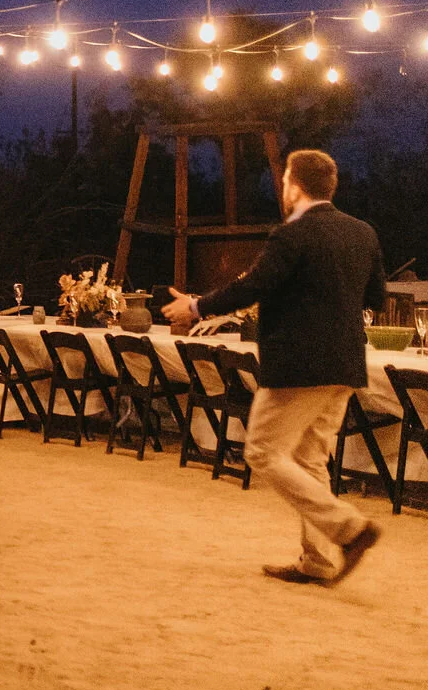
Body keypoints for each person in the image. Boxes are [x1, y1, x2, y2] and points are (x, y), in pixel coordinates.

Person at [161, 148, 387, 585]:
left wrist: (196, 306)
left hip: (299, 366)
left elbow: (255, 286)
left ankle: (350, 529)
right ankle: (318, 562)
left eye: (285, 180)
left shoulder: (292, 234)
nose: (283, 187)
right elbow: (376, 297)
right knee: (309, 460)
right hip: (346, 364)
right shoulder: (363, 233)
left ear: (294, 186)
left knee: (262, 451)